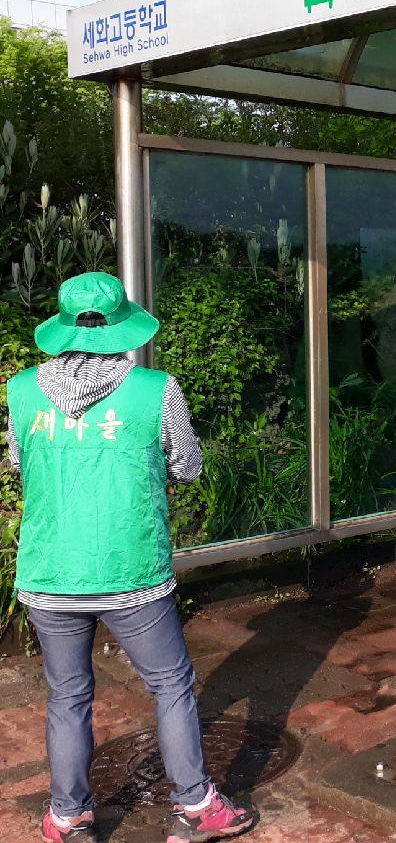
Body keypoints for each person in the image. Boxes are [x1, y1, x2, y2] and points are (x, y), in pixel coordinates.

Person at [5, 273, 255, 843]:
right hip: (131, 572)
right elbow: (187, 466)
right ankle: (196, 806)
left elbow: (20, 464)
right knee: (170, 685)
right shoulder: (156, 389)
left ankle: (67, 816)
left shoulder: (21, 391)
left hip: (50, 572)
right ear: (121, 327)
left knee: (67, 695)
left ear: (64, 329)